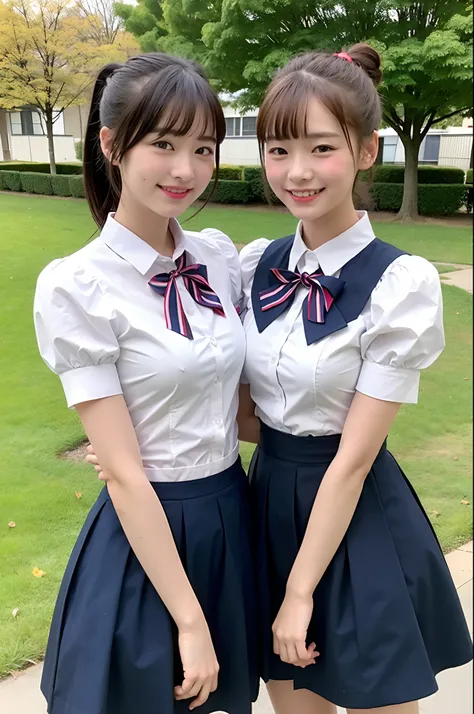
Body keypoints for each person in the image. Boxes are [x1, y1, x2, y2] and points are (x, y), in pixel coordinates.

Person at [234, 44, 473, 714]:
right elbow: (248, 415)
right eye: (278, 150)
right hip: (269, 506)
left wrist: (301, 591)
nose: (297, 171)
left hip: (357, 512)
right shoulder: (254, 266)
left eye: (320, 148)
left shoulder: (400, 284)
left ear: (367, 151)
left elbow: (354, 457)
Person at [33, 52, 258, 714]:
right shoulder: (77, 286)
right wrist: (190, 622)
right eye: (163, 143)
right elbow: (125, 473)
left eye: (203, 148)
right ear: (111, 144)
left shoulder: (217, 258)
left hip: (229, 514)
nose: (186, 169)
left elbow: (242, 407)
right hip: (148, 535)